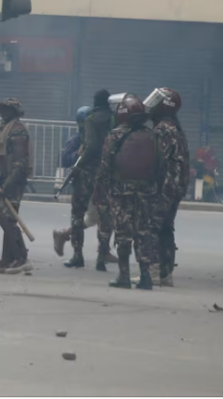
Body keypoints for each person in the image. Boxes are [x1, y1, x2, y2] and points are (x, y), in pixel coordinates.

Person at [94, 94, 161, 290]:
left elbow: (105, 166)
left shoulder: (114, 135)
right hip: (147, 191)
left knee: (123, 233)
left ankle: (124, 276)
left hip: (120, 191)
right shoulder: (153, 136)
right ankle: (146, 277)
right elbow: (160, 167)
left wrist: (99, 191)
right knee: (143, 232)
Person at [55, 90, 117, 270]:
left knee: (78, 213)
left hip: (87, 173)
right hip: (106, 173)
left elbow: (90, 146)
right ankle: (101, 256)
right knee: (105, 215)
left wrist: (78, 165)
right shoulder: (114, 120)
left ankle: (77, 255)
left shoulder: (91, 120)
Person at [146, 88, 189, 287]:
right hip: (175, 186)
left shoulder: (162, 129)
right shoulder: (175, 127)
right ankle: (165, 275)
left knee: (152, 227)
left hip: (164, 186)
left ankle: (153, 273)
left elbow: (155, 161)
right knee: (166, 228)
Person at [0, 98, 32, 275]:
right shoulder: (6, 130)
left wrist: (6, 185)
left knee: (7, 219)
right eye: (2, 110)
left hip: (14, 180)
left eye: (7, 110)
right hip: (6, 179)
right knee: (4, 217)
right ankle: (7, 257)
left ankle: (21, 257)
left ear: (14, 113)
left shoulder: (17, 131)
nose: (3, 114)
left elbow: (20, 163)